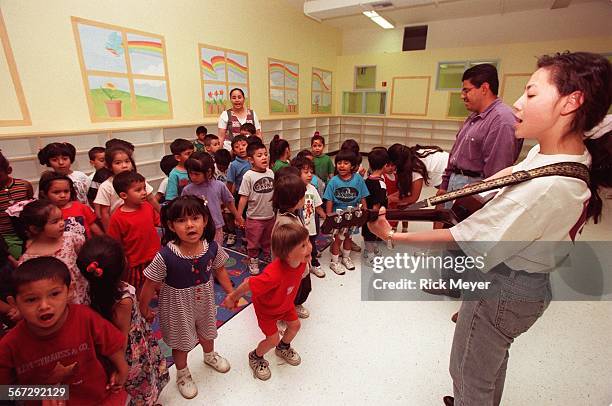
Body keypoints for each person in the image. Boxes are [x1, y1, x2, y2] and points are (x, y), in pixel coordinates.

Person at [367, 51, 611, 406]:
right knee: (490, 362)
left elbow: (460, 237)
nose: (516, 105)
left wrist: (391, 236)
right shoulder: (560, 156)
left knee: (468, 372)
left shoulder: (545, 186)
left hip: (505, 286)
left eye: (530, 93)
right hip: (524, 284)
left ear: (571, 102)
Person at [139, 196, 234, 399]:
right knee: (181, 343)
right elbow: (149, 284)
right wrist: (143, 308)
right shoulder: (165, 256)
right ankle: (182, 373)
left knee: (208, 332)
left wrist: (231, 293)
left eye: (195, 218)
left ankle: (209, 356)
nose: (190, 225)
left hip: (205, 301)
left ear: (205, 220)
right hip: (177, 306)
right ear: (171, 226)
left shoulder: (212, 247)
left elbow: (220, 270)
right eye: (181, 221)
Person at [0, 257, 128, 405]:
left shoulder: (84, 317)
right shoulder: (9, 346)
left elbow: (111, 343)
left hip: (99, 399)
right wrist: (45, 392)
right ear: (14, 304)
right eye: (31, 300)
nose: (44, 306)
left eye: (54, 294)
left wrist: (122, 368)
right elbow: (5, 391)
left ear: (70, 291)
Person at [77, 236, 169, 406]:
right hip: (128, 352)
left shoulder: (85, 289)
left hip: (103, 347)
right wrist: (120, 367)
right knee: (138, 385)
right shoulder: (123, 298)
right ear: (123, 265)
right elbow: (121, 338)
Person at [221, 222, 311, 381]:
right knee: (272, 339)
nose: (309, 247)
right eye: (303, 245)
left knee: (295, 325)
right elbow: (249, 283)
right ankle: (255, 356)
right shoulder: (273, 275)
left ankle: (283, 347)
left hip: (285, 303)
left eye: (308, 241)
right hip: (267, 311)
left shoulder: (301, 262)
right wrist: (232, 297)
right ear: (288, 254)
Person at [438, 63, 523, 203]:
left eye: (466, 90)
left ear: (484, 88)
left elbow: (496, 174)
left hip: (474, 189)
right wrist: (445, 185)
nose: (462, 96)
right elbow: (456, 154)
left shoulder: (502, 120)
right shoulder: (474, 117)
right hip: (455, 183)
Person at [19, 200, 89, 305]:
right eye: (55, 222)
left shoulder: (70, 238)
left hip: (83, 294)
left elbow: (85, 257)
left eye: (61, 218)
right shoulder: (28, 260)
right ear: (35, 229)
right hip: (59, 306)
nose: (62, 223)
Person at [107, 171, 161, 293]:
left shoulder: (148, 207)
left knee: (158, 282)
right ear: (124, 195)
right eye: (138, 190)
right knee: (139, 287)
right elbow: (115, 243)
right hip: (136, 261)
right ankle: (142, 309)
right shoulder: (117, 218)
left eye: (144, 188)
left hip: (154, 255)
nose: (144, 192)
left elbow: (158, 222)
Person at [271, 167, 312, 318]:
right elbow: (282, 251)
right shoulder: (284, 222)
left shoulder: (293, 214)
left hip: (301, 265)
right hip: (290, 268)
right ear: (295, 200)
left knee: (304, 289)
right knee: (286, 294)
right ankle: (281, 315)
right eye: (303, 196)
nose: (304, 198)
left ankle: (296, 304)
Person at [323, 149, 369, 274]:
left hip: (352, 215)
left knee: (349, 237)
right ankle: (334, 261)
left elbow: (363, 196)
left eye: (346, 163)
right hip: (338, 216)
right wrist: (329, 217)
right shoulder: (333, 181)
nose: (341, 165)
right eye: (339, 163)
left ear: (353, 166)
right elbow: (329, 200)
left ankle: (346, 258)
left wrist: (364, 213)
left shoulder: (358, 179)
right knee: (338, 239)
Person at [93, 145, 159, 230]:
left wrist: (163, 214)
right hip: (121, 224)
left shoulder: (138, 179)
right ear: (109, 166)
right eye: (118, 163)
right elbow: (104, 213)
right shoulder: (106, 186)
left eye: (127, 161)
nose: (124, 165)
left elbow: (151, 199)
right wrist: (110, 234)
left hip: (140, 218)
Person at [182, 152, 241, 245]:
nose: (193, 177)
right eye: (190, 173)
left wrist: (238, 216)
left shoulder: (219, 185)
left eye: (197, 174)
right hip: (196, 227)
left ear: (208, 172)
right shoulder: (187, 190)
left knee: (216, 249)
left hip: (215, 226)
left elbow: (229, 201)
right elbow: (183, 209)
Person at [237, 141, 275, 275]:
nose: (264, 157)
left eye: (265, 154)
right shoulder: (248, 176)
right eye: (259, 155)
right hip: (254, 218)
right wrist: (238, 216)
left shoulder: (271, 173)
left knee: (268, 240)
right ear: (251, 160)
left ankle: (268, 255)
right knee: (253, 242)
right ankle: (253, 260)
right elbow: (243, 197)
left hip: (270, 216)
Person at [38, 171, 104, 238]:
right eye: (56, 192)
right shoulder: (43, 213)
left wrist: (104, 238)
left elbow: (92, 225)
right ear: (43, 194)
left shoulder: (81, 207)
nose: (63, 195)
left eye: (66, 191)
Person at [291, 157, 326, 278]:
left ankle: (314, 263)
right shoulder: (294, 190)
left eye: (311, 172)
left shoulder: (312, 189)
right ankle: (299, 267)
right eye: (306, 172)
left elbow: (318, 207)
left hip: (310, 227)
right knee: (297, 248)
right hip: (298, 228)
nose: (310, 175)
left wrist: (326, 217)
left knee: (311, 246)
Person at [0, 153, 33, 262]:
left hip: (29, 231)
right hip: (7, 236)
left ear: (8, 170)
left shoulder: (24, 185)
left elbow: (32, 206)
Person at [37, 142, 91, 206]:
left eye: (65, 159)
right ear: (48, 162)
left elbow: (91, 195)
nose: (61, 162)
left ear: (71, 159)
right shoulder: (47, 180)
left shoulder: (80, 176)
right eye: (54, 160)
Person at [362, 147, 389, 264]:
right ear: (385, 165)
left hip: (366, 213)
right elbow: (376, 204)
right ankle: (370, 256)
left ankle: (369, 250)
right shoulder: (380, 184)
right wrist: (375, 219)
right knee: (372, 234)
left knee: (368, 235)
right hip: (373, 215)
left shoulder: (367, 180)